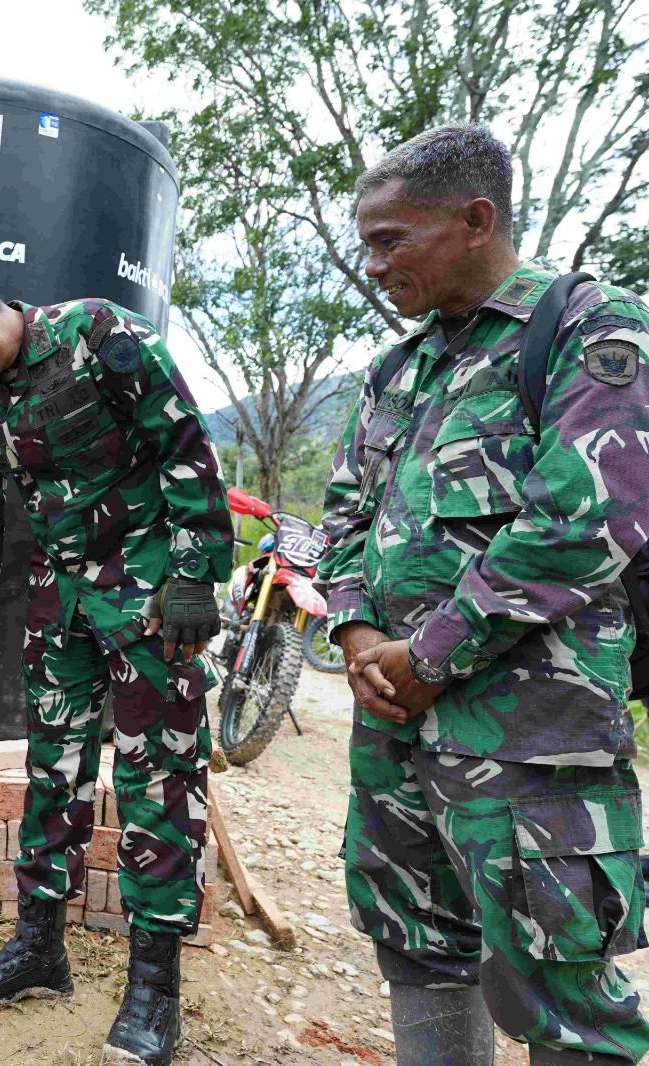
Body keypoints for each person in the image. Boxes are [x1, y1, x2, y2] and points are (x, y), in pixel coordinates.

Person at [318, 125, 649, 1066]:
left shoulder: (590, 327)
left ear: (475, 220)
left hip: (529, 732)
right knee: (417, 945)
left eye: (391, 240)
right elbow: (344, 515)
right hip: (394, 726)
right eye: (366, 242)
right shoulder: (400, 366)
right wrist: (354, 635)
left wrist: (427, 659)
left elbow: (585, 518)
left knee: (558, 976)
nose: (372, 264)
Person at [0, 257, 233, 1066]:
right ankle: (39, 947)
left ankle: (155, 991)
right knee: (53, 768)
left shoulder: (99, 334)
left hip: (150, 595)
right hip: (60, 600)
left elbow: (185, 444)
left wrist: (193, 574)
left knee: (158, 776)